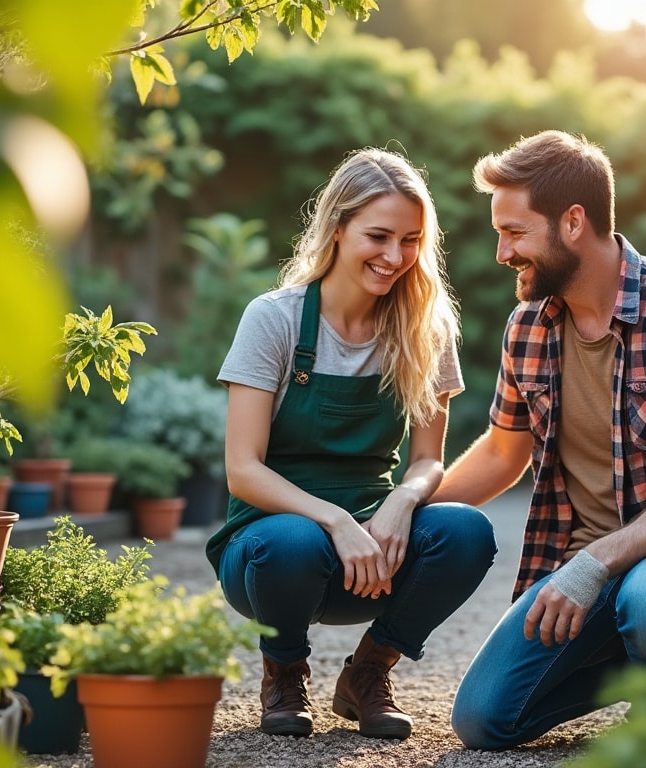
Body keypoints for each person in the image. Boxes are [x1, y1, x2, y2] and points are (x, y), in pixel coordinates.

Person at [432, 130, 646, 750]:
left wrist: (594, 564)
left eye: (514, 232)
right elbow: (504, 451)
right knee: (483, 721)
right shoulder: (529, 324)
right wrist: (410, 514)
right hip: (579, 567)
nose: (502, 252)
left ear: (573, 221)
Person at [205, 148, 496, 741]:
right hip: (269, 550)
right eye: (379, 236)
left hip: (376, 552)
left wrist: (402, 502)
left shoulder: (426, 329)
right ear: (337, 228)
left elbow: (426, 460)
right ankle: (284, 671)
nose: (395, 257)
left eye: (410, 240)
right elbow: (242, 470)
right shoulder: (274, 320)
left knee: (467, 531)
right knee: (291, 541)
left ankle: (367, 674)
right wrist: (336, 521)